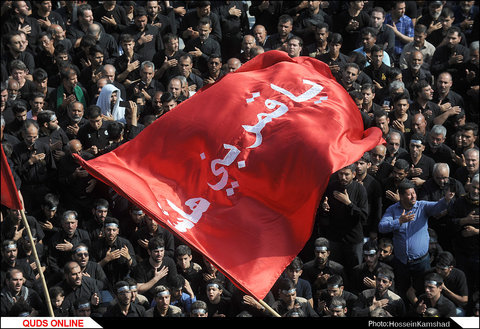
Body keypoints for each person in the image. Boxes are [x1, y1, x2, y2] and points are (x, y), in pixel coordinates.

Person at [378, 180, 456, 300]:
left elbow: (437, 207)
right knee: (402, 290)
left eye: (414, 193)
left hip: (421, 262)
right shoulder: (393, 210)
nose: (413, 196)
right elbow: (382, 227)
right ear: (401, 196)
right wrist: (399, 221)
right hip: (401, 262)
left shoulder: (422, 206)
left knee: (423, 291)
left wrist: (446, 199)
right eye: (409, 194)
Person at [319, 164, 368, 274]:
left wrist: (348, 203)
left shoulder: (360, 189)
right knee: (334, 270)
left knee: (355, 270)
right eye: (341, 174)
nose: (343, 177)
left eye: (347, 174)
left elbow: (363, 216)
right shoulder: (331, 187)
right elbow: (323, 214)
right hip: (335, 238)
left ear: (353, 174)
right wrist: (325, 208)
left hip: (353, 239)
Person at [447, 173, 479, 296]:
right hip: (462, 253)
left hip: (478, 254)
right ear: (470, 186)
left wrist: (475, 232)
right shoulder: (460, 202)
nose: (475, 191)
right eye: (474, 187)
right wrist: (465, 220)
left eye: (479, 189)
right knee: (465, 287)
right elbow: (449, 224)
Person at [90, 217, 136, 287]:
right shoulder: (96, 245)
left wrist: (128, 257)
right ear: (104, 230)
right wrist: (106, 260)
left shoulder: (125, 244)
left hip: (123, 282)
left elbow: (134, 267)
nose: (111, 233)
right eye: (108, 230)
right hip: (103, 283)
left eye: (114, 230)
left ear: (118, 231)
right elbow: (92, 269)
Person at [131, 237, 178, 303]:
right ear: (149, 252)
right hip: (148, 300)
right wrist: (156, 279)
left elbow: (174, 283)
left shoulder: (169, 262)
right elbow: (139, 289)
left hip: (166, 298)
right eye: (156, 252)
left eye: (162, 251)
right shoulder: (141, 267)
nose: (160, 254)